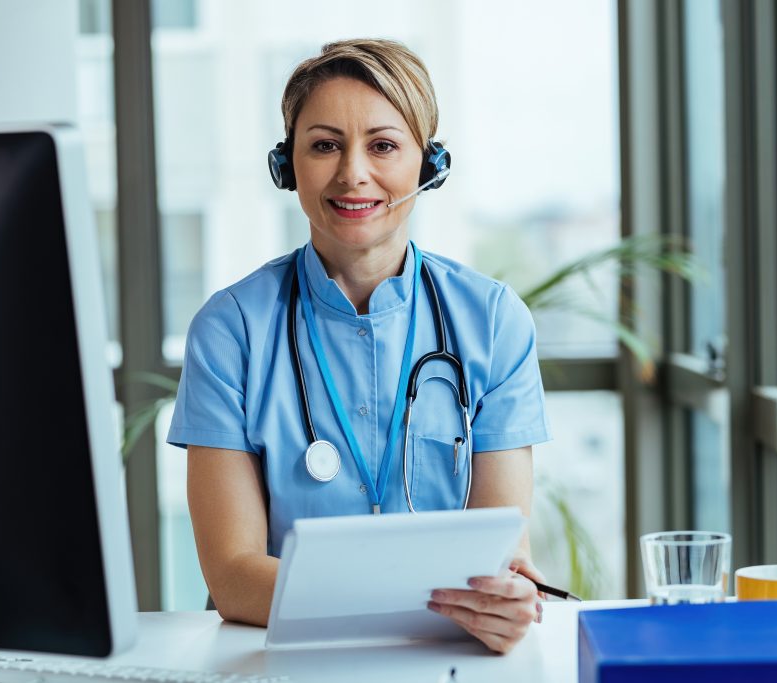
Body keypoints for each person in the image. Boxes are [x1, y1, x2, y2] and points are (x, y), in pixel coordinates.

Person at [167, 38, 551, 655]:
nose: (353, 173)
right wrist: (434, 602)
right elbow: (234, 578)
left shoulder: (494, 321)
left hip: (446, 664)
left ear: (429, 164)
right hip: (280, 661)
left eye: (383, 145)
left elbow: (503, 557)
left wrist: (505, 602)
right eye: (324, 145)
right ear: (285, 166)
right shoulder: (230, 329)